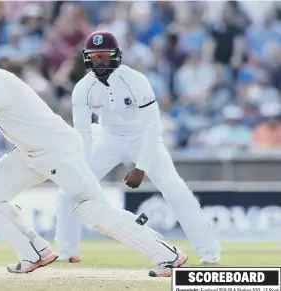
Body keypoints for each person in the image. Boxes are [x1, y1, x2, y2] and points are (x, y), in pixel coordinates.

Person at [0, 35, 187, 277]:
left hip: (57, 152)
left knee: (94, 211)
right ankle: (34, 251)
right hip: (30, 153)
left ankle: (168, 256)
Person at [55, 30, 221, 265]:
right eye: (95, 56)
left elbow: (153, 127)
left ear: (116, 56)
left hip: (142, 138)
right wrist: (81, 168)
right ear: (87, 58)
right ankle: (67, 251)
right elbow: (83, 133)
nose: (99, 61)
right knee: (68, 190)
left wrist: (141, 167)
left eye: (104, 55)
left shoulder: (135, 80)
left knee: (175, 190)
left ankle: (209, 252)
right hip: (108, 138)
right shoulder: (83, 88)